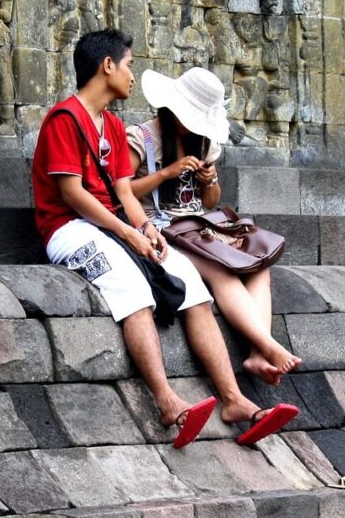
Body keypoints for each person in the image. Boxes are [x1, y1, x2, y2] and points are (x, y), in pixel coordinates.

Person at [32, 28, 296, 448]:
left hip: (112, 224)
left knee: (190, 282)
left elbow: (123, 193)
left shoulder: (114, 127)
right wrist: (127, 231)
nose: (132, 76)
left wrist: (147, 230)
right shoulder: (65, 118)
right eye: (129, 65)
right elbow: (73, 194)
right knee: (133, 287)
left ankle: (233, 400)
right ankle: (167, 400)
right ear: (107, 66)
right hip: (68, 228)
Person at [126, 66, 303, 385]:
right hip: (161, 229)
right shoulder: (142, 138)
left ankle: (257, 354)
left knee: (257, 266)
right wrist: (167, 173)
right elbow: (121, 190)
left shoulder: (204, 143)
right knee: (220, 271)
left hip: (200, 226)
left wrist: (210, 180)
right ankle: (269, 345)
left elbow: (210, 201)